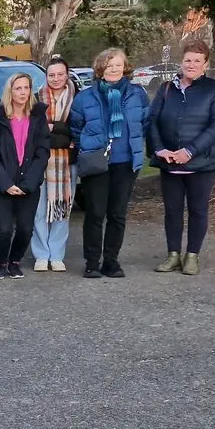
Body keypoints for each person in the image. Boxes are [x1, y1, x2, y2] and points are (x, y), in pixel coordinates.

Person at [147, 39, 215, 275]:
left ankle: (192, 255)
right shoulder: (166, 89)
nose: (191, 64)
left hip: (201, 164)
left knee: (197, 209)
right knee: (172, 210)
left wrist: (190, 151)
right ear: (181, 62)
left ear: (205, 64)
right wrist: (160, 149)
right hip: (169, 162)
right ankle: (173, 255)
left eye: (197, 61)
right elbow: (152, 121)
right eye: (187, 60)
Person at [70, 48, 150, 278]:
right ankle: (92, 262)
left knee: (117, 214)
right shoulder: (85, 97)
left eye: (117, 64)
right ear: (100, 69)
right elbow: (76, 127)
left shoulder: (137, 94)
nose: (113, 69)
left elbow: (145, 122)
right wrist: (86, 145)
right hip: (97, 162)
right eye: (108, 65)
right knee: (95, 213)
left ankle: (111, 261)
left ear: (124, 67)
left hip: (125, 162)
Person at [0, 73, 51, 279]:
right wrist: (5, 183)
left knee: (25, 229)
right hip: (1, 184)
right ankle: (1, 263)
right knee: (3, 229)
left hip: (28, 184)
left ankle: (15, 261)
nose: (22, 92)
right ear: (10, 91)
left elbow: (42, 152)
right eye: (18, 88)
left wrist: (29, 183)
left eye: (26, 88)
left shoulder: (38, 117)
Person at [31, 59, 78, 272]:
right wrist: (62, 134)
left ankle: (57, 254)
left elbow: (77, 130)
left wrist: (54, 127)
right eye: (51, 75)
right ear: (46, 76)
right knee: (39, 210)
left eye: (60, 74)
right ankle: (41, 254)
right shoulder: (36, 100)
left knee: (63, 210)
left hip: (68, 163)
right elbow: (35, 134)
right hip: (40, 161)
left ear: (67, 75)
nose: (56, 79)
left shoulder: (78, 99)